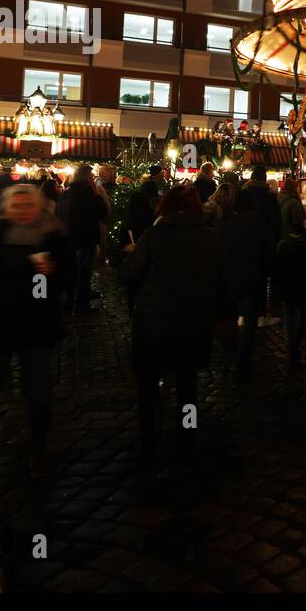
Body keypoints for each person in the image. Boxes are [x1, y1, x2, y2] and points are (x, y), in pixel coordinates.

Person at [0, 182, 71, 476]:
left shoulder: (54, 240)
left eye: (28, 205)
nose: (23, 211)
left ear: (39, 207)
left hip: (37, 327)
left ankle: (38, 446)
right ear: (6, 208)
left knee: (38, 391)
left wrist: (53, 274)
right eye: (17, 205)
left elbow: (66, 282)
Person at [120, 185, 226, 466]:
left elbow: (129, 273)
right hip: (193, 324)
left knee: (148, 387)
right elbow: (221, 279)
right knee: (187, 388)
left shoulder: (154, 235)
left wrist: (133, 255)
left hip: (154, 324)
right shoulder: (210, 237)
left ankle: (149, 440)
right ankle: (186, 439)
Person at [220, 188, 276, 381]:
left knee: (229, 321)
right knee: (250, 324)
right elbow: (269, 256)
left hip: (229, 282)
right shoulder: (260, 227)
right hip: (253, 282)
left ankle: (231, 355)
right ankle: (242, 359)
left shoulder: (224, 227)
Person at [55, 164, 108, 314]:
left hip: (69, 237)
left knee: (72, 271)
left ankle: (68, 302)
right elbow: (101, 211)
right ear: (87, 177)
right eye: (91, 176)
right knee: (83, 272)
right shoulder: (87, 193)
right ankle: (80, 305)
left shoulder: (66, 192)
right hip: (85, 237)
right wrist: (98, 195)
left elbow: (57, 212)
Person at [274, 212, 306, 370]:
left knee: (288, 313)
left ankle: (289, 340)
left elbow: (277, 268)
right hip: (303, 287)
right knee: (302, 314)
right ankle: (296, 340)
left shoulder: (282, 246)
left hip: (286, 287)